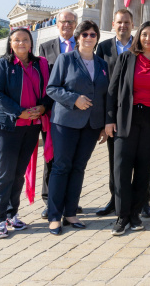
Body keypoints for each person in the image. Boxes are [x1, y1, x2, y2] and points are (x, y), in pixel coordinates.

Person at [0, 28, 52, 238]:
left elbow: (49, 90)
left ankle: (11, 214)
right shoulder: (2, 64)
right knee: (4, 174)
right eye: (17, 40)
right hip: (8, 126)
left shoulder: (39, 64)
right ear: (10, 43)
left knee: (18, 174)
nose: (21, 43)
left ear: (31, 43)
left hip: (31, 127)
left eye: (25, 40)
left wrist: (42, 108)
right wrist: (20, 112)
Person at [45, 20, 108, 235]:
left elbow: (104, 95)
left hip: (91, 125)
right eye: (85, 34)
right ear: (78, 37)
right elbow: (52, 88)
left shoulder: (102, 64)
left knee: (79, 167)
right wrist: (74, 99)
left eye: (93, 34)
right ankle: (54, 216)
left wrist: (103, 124)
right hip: (65, 122)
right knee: (61, 167)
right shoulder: (65, 59)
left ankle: (70, 213)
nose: (89, 38)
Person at [106, 21, 150, 236]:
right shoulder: (126, 58)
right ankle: (122, 216)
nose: (148, 39)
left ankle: (135, 214)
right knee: (121, 167)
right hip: (126, 118)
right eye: (144, 35)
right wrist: (109, 120)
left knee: (144, 168)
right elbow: (112, 92)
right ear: (138, 37)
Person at [37, 9, 82, 218]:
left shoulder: (84, 46)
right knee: (51, 158)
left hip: (78, 111)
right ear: (57, 24)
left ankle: (70, 200)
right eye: (64, 22)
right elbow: (43, 81)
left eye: (71, 22)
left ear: (76, 25)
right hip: (53, 112)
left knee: (72, 159)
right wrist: (43, 107)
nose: (67, 25)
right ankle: (50, 200)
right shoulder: (46, 48)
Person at [94, 8, 135, 217]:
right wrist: (105, 118)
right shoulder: (103, 48)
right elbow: (100, 85)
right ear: (113, 24)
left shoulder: (140, 45)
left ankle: (141, 201)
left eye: (127, 22)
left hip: (137, 111)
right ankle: (115, 199)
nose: (123, 26)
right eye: (119, 22)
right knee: (115, 160)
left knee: (140, 159)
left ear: (132, 24)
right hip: (113, 113)